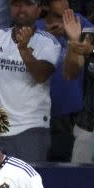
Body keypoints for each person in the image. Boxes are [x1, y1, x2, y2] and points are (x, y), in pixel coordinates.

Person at [0, 0, 61, 161]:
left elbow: (41, 75)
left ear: (39, 9)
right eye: (16, 4)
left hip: (31, 127)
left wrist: (23, 49)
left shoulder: (48, 42)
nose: (21, 8)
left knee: (27, 184)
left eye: (27, 3)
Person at [37, 0, 93, 161]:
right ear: (45, 6)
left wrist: (75, 37)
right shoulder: (36, 28)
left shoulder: (79, 22)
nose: (65, 2)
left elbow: (89, 46)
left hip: (71, 112)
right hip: (40, 112)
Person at [61, 7, 94, 162]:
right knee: (79, 183)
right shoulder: (89, 34)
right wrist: (73, 43)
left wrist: (92, 51)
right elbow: (70, 74)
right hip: (87, 128)